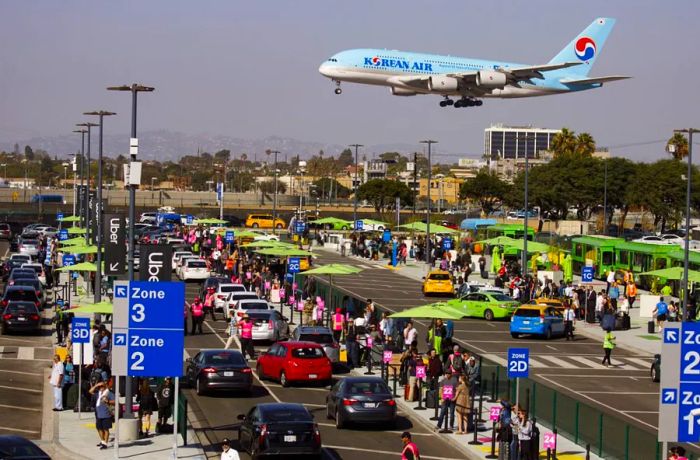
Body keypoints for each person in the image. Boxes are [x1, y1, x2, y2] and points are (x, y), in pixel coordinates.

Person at [89, 380, 114, 450]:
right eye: (99, 387)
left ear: (105, 386)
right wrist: (96, 385)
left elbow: (115, 401)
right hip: (98, 413)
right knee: (99, 428)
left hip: (106, 413)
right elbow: (90, 391)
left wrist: (108, 401)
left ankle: (105, 443)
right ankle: (102, 441)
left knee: (106, 429)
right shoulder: (98, 393)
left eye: (102, 386)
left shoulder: (109, 393)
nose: (101, 387)